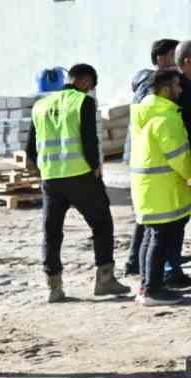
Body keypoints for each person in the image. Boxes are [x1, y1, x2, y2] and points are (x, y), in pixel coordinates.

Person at [25, 64, 130, 302]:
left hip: (51, 178)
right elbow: (89, 139)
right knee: (102, 224)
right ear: (84, 81)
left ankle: (54, 286)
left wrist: (40, 169)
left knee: (52, 232)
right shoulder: (82, 102)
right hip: (80, 175)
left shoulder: (40, 105)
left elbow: (31, 146)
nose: (91, 90)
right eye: (91, 86)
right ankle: (105, 279)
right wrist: (95, 168)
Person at [128, 70, 191, 306]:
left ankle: (148, 285)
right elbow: (179, 156)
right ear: (166, 89)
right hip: (164, 189)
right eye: (177, 86)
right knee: (159, 238)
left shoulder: (144, 113)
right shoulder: (166, 118)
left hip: (149, 188)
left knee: (151, 236)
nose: (181, 90)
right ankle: (153, 289)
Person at [125, 38, 184, 278]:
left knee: (151, 226)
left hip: (148, 167)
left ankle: (142, 270)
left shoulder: (154, 94)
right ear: (162, 58)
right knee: (156, 228)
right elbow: (172, 148)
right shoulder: (154, 93)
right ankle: (154, 278)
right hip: (155, 169)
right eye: (174, 55)